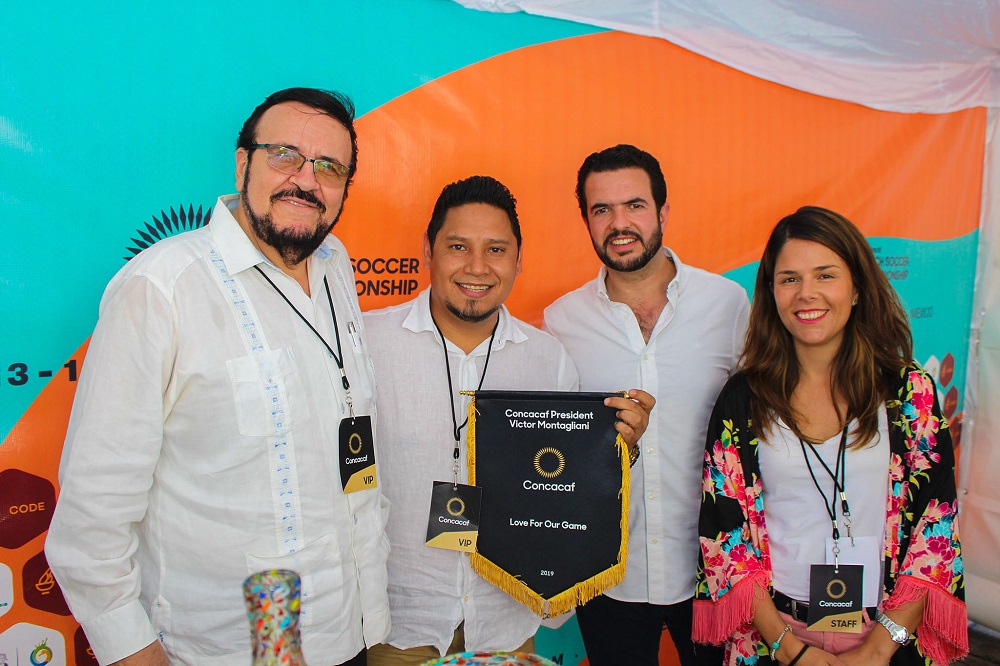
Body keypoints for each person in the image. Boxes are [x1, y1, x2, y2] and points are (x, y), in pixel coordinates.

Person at [45, 88, 390, 666]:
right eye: (285, 155)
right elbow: (92, 520)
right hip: (223, 649)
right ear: (242, 163)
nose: (306, 181)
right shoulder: (162, 289)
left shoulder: (337, 267)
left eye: (330, 167)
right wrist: (134, 653)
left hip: (347, 632)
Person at [363, 175, 654, 665]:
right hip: (398, 627)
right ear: (428, 250)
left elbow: (569, 483)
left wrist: (618, 447)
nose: (477, 267)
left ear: (519, 260)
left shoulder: (548, 359)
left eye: (496, 250)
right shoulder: (370, 345)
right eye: (458, 246)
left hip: (506, 623)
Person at [693, 206, 968, 665]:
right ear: (771, 292)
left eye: (825, 275)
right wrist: (789, 649)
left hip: (887, 633)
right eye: (789, 279)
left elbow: (934, 525)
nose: (807, 293)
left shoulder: (908, 391)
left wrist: (879, 649)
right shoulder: (742, 399)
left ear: (857, 287)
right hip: (775, 637)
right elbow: (725, 533)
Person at [544, 144, 748, 665]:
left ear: (663, 211)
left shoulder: (727, 304)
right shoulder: (560, 321)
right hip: (610, 575)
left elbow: (758, 433)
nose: (619, 224)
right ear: (586, 221)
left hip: (716, 570)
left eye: (634, 205)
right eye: (602, 210)